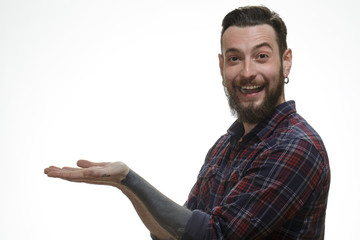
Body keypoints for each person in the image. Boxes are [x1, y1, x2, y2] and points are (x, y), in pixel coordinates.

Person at [44, 5, 330, 240]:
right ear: (221, 67)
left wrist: (129, 179)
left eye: (261, 57)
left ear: (286, 61)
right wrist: (125, 185)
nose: (247, 72)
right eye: (234, 58)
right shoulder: (224, 147)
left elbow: (213, 236)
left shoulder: (296, 147)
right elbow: (175, 232)